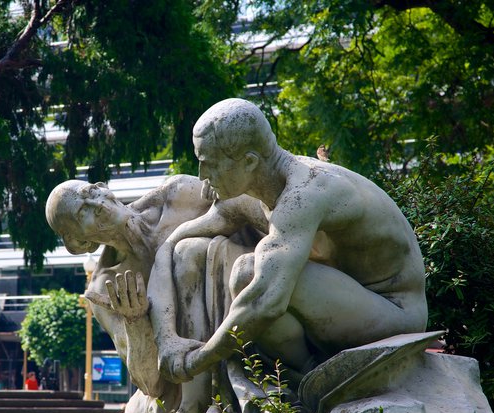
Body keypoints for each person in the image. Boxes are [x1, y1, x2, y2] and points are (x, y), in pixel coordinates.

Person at [150, 98, 428, 389]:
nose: (201, 176)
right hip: (349, 295)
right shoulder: (259, 188)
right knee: (249, 273)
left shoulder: (305, 193)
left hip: (395, 310)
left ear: (249, 162)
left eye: (210, 164)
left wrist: (197, 360)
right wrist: (167, 339)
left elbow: (265, 301)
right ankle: (306, 379)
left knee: (250, 274)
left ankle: (309, 383)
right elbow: (175, 242)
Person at [45, 175, 223, 413]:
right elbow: (151, 384)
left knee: (190, 253)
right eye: (84, 211)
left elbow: (249, 209)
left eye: (92, 191)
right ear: (80, 243)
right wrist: (135, 321)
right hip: (180, 378)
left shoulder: (178, 194)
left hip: (237, 317)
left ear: (103, 187)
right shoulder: (106, 287)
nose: (98, 203)